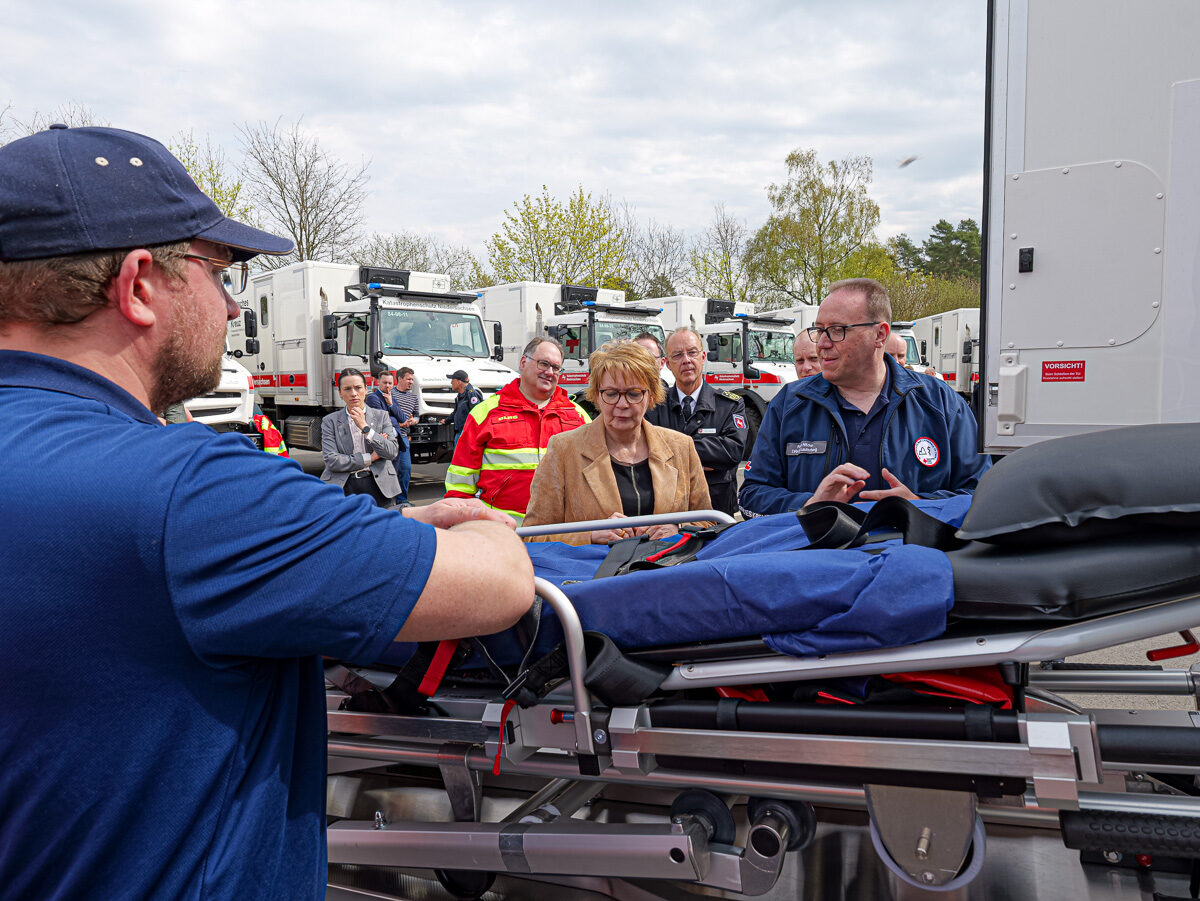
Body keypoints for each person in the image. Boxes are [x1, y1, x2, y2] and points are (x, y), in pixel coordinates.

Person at [0, 124, 533, 901]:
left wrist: (358, 535)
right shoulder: (191, 492)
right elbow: (500, 585)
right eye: (219, 271)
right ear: (140, 284)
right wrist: (485, 522)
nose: (230, 301)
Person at [739, 278, 990, 516]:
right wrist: (809, 505)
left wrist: (921, 508)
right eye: (820, 330)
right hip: (817, 557)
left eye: (837, 330)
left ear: (880, 335)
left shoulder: (940, 403)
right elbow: (751, 497)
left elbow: (983, 495)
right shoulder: (790, 403)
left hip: (907, 556)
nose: (822, 343)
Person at [524, 341, 711, 545]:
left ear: (651, 396)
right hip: (597, 574)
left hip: (666, 572)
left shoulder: (681, 447)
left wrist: (679, 528)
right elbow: (533, 535)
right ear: (597, 395)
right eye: (611, 394)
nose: (622, 404)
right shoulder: (564, 449)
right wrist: (590, 536)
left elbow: (709, 523)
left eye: (633, 394)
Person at [444, 337, 591, 521]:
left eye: (556, 367)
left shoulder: (577, 415)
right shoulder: (486, 413)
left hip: (562, 535)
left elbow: (593, 480)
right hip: (502, 532)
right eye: (544, 364)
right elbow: (460, 482)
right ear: (523, 362)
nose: (550, 372)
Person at [646, 327, 747, 516]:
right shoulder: (654, 405)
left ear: (703, 356)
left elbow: (733, 452)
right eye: (677, 355)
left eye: (692, 352)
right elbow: (645, 450)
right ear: (667, 363)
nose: (686, 360)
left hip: (716, 511)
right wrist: (706, 456)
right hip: (667, 513)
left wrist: (673, 451)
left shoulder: (730, 405)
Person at [321, 368, 401, 507]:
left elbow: (391, 452)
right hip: (344, 485)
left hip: (379, 485)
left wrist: (365, 427)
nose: (353, 394)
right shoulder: (330, 421)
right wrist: (371, 458)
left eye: (358, 388)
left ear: (366, 389)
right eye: (347, 389)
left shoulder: (382, 416)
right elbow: (332, 460)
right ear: (340, 393)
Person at [366, 369, 414, 506]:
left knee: (398, 472)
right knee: (386, 474)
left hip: (396, 440)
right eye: (385, 383)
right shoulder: (373, 398)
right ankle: (386, 504)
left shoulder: (391, 397)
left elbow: (402, 417)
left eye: (390, 383)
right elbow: (384, 420)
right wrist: (394, 418)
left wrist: (392, 404)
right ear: (378, 383)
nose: (387, 386)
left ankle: (398, 502)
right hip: (384, 441)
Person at [444, 368, 484, 444]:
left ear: (459, 382)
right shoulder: (460, 396)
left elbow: (477, 414)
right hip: (460, 434)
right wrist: (447, 421)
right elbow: (456, 413)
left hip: (468, 435)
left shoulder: (472, 394)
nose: (451, 382)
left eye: (453, 379)